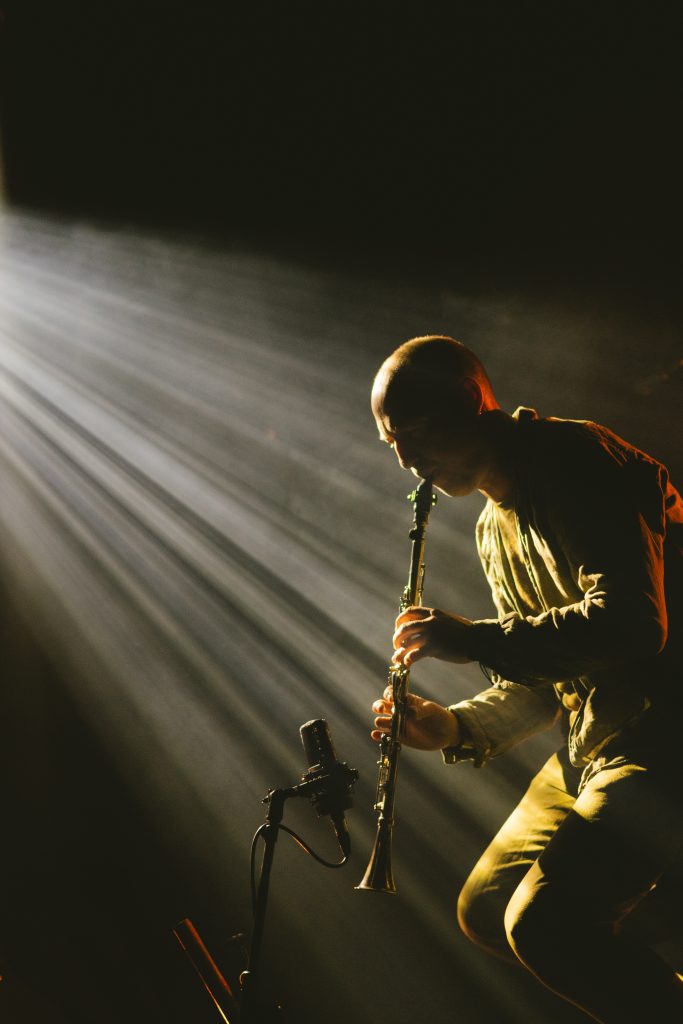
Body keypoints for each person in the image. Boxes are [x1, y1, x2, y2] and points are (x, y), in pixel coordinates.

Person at [370, 335, 683, 1023]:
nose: (405, 460)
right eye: (391, 442)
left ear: (468, 402)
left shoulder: (574, 457)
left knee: (543, 923)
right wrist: (452, 725)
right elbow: (542, 684)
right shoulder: (490, 529)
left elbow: (634, 624)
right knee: (486, 910)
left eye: (414, 433)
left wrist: (474, 640)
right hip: (595, 745)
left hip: (665, 734)